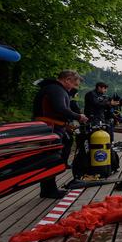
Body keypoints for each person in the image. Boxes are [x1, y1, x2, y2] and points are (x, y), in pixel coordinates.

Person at [32, 70, 89, 198]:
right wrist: (78, 116)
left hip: (49, 127)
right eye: (75, 84)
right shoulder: (56, 89)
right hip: (49, 128)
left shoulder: (51, 88)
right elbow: (61, 109)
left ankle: (48, 189)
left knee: (50, 157)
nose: (75, 87)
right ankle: (49, 190)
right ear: (67, 79)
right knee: (51, 158)